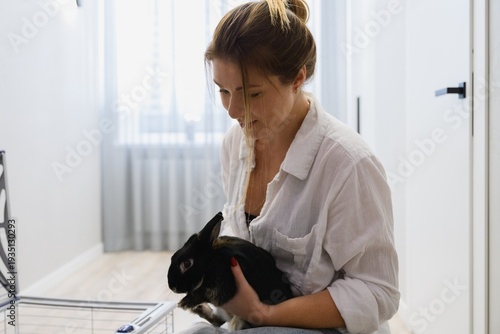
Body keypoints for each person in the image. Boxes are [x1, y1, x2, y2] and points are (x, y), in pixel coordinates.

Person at [179, 0, 399, 333]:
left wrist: (262, 314)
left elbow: (378, 292)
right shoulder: (235, 144)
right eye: (223, 91)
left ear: (297, 79)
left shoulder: (348, 164)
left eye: (252, 94)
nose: (233, 110)